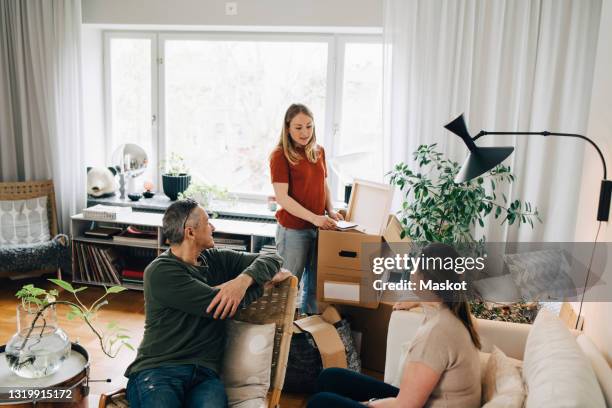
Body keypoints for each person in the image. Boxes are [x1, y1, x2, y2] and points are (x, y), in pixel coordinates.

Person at [125, 199, 291, 408]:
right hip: (159, 370)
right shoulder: (160, 272)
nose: (213, 227)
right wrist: (262, 285)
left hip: (205, 376)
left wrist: (243, 281)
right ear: (190, 232)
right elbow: (217, 308)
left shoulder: (215, 259)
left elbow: (273, 259)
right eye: (207, 222)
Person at [307, 243, 482, 408]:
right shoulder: (453, 311)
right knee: (330, 377)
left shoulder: (437, 333)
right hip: (425, 402)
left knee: (320, 403)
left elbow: (405, 406)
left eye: (415, 267)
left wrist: (367, 404)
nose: (411, 271)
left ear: (426, 280)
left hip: (413, 405)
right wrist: (418, 302)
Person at [269, 103, 343, 313]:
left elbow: (323, 183)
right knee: (288, 288)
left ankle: (309, 334)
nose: (305, 133)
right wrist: (315, 218)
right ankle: (282, 339)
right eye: (298, 127)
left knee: (314, 287)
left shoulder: (319, 152)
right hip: (293, 231)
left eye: (309, 126)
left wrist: (330, 210)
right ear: (287, 128)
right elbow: (282, 198)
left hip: (318, 227)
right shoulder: (279, 155)